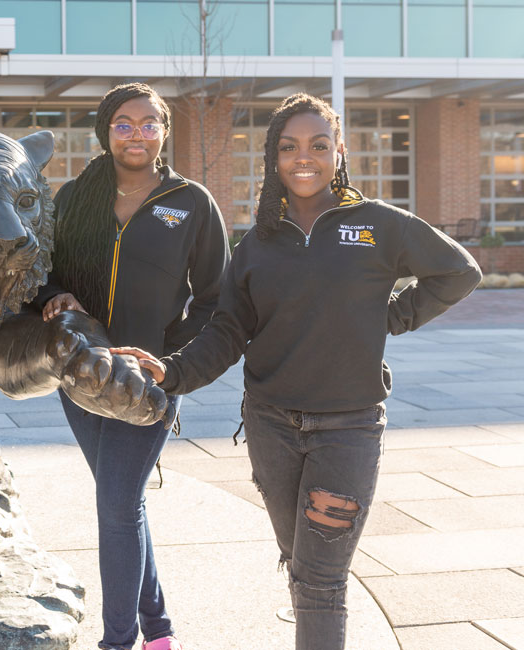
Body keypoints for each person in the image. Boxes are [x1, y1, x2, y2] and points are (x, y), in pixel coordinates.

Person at [114, 93, 482, 650]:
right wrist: (170, 372)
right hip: (271, 428)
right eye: (288, 147)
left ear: (340, 151)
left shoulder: (377, 225)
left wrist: (391, 318)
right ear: (273, 159)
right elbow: (228, 330)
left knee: (321, 581)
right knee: (301, 564)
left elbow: (459, 271)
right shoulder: (258, 243)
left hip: (348, 430)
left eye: (317, 145)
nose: (302, 157)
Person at [36, 82, 230, 650]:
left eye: (149, 122)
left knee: (117, 505)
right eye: (123, 123)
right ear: (106, 132)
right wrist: (56, 295)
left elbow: (216, 301)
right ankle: (160, 632)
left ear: (164, 131)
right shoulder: (75, 197)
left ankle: (117, 642)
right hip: (81, 373)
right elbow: (42, 270)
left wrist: (170, 364)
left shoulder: (190, 202)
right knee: (122, 502)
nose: (137, 133)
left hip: (146, 383)